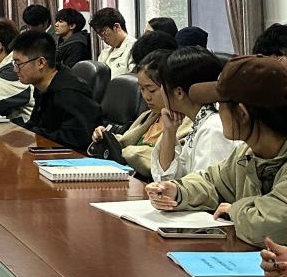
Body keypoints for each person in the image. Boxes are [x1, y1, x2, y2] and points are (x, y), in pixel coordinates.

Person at [145, 56, 287, 246]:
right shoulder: (247, 153)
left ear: (242, 114)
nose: (217, 112)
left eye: (220, 104)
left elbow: (269, 227)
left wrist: (234, 210)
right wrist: (177, 191)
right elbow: (211, 181)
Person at [88, 50, 190, 176]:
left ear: (171, 87)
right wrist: (106, 138)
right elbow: (125, 141)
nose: (146, 96)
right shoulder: (147, 116)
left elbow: (173, 166)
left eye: (152, 90)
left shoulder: (187, 126)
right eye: (142, 89)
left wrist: (129, 153)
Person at [150, 46, 239, 182]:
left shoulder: (212, 129)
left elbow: (206, 189)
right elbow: (166, 179)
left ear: (179, 93)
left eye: (161, 84)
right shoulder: (200, 121)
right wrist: (169, 131)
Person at [12, 31, 102, 151]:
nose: (15, 69)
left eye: (19, 64)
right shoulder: (43, 86)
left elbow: (76, 140)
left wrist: (30, 131)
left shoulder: (69, 92)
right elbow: (37, 124)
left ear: (41, 63)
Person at [90, 7, 136, 76]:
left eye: (103, 33)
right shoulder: (105, 53)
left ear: (116, 27)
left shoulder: (134, 49)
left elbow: (132, 79)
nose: (102, 38)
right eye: (99, 35)